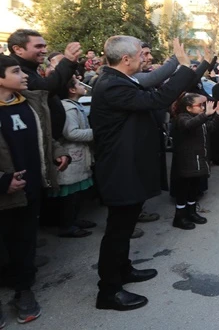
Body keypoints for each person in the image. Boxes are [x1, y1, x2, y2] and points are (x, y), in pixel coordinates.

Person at [91, 37, 195, 311]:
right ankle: (109, 292)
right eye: (140, 54)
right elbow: (157, 98)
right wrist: (183, 67)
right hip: (119, 170)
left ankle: (123, 270)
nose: (144, 58)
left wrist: (184, 66)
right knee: (117, 231)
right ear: (126, 59)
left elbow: (153, 89)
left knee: (123, 229)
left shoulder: (121, 79)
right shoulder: (112, 84)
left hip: (129, 167)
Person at [0, 55, 71, 324]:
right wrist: (3, 181)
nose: (25, 75)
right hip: (3, 193)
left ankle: (23, 292)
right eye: (16, 71)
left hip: (29, 191)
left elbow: (45, 137)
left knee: (24, 244)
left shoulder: (31, 103)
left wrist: (58, 152)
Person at [8, 29, 81, 140]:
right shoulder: (15, 70)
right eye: (38, 46)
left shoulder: (31, 68)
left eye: (44, 46)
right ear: (18, 49)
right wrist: (68, 62)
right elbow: (44, 89)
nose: (44, 50)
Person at [169, 92, 219, 229]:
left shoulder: (199, 118)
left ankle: (191, 212)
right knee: (183, 190)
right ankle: (179, 217)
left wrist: (218, 116)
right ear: (188, 108)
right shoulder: (181, 118)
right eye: (200, 105)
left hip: (199, 159)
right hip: (186, 162)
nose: (203, 108)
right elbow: (189, 125)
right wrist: (206, 115)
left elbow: (210, 128)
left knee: (194, 188)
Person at [54, 77, 97, 238]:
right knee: (70, 196)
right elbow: (71, 133)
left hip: (78, 155)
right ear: (71, 90)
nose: (82, 85)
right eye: (78, 84)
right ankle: (67, 225)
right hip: (72, 155)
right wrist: (96, 133)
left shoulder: (75, 106)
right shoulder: (68, 109)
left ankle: (74, 220)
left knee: (77, 194)